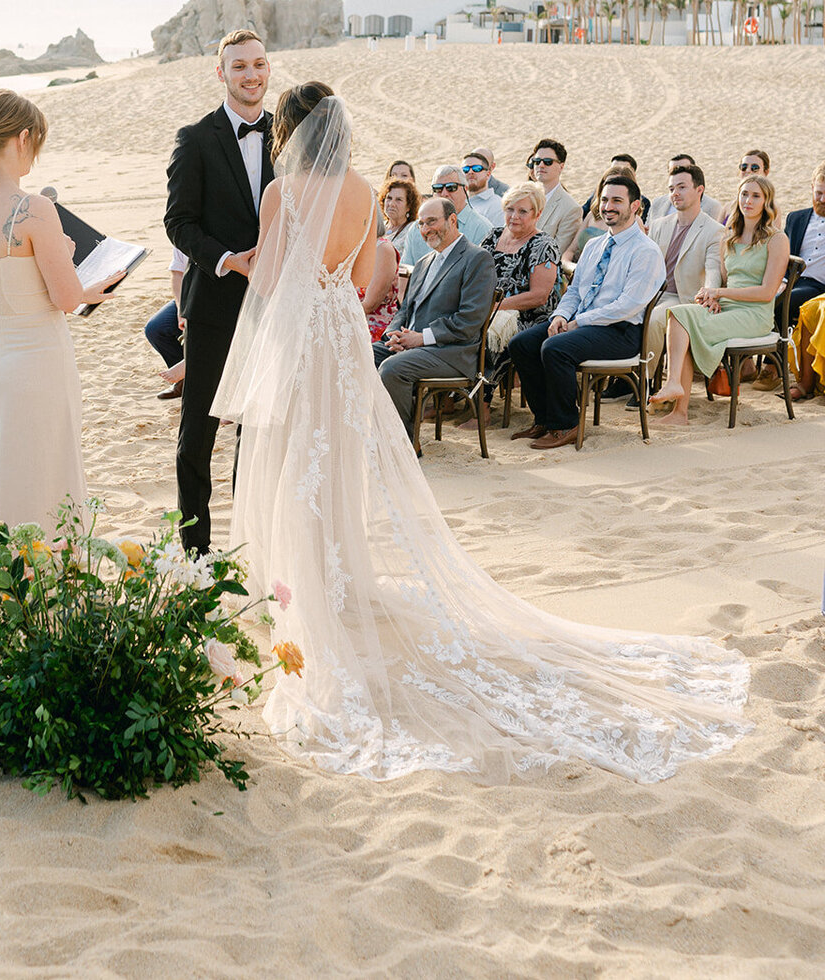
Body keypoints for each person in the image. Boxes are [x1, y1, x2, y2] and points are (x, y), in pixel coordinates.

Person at [214, 86, 749, 783]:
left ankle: (309, 593)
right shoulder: (363, 189)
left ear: (290, 132)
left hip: (308, 341)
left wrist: (237, 263)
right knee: (333, 460)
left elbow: (275, 284)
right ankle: (337, 582)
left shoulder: (282, 194)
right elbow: (371, 278)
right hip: (340, 334)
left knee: (297, 462)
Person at [0, 90, 120, 530]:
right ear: (24, 138)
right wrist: (80, 275)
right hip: (36, 361)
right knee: (40, 471)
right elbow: (67, 299)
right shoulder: (33, 209)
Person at [165, 29, 274, 555]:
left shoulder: (290, 136)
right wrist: (229, 261)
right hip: (214, 306)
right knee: (198, 432)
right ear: (221, 74)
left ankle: (250, 542)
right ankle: (196, 550)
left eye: (258, 64)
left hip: (275, 308)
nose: (250, 75)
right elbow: (179, 222)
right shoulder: (195, 138)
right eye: (239, 67)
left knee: (256, 431)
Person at [507, 175, 665, 450]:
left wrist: (579, 322)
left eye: (617, 200)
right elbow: (576, 292)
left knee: (555, 348)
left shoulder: (645, 251)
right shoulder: (594, 246)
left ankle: (566, 424)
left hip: (621, 331)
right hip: (583, 324)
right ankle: (544, 419)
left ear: (635, 205)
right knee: (521, 344)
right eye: (604, 200)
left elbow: (628, 305)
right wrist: (560, 316)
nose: (608, 206)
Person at [650, 176, 790, 426]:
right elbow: (726, 281)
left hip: (754, 315)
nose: (748, 200)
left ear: (766, 201)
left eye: (756, 196)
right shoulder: (730, 236)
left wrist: (719, 294)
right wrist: (714, 299)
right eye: (744, 194)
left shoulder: (777, 239)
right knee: (680, 315)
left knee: (689, 326)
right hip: (728, 307)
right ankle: (674, 391)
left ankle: (679, 409)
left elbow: (767, 292)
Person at [372, 196, 497, 430]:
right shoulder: (423, 262)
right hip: (415, 347)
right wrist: (394, 335)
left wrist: (421, 338)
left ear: (452, 220)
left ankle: (405, 445)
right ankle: (375, 433)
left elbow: (470, 320)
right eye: (421, 224)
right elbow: (405, 309)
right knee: (360, 355)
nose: (425, 229)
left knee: (392, 369)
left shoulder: (477, 258)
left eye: (431, 221)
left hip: (453, 352)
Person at [478, 182, 560, 393]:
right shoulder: (493, 236)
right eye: (510, 209)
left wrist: (497, 306)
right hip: (490, 307)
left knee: (493, 333)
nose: (514, 216)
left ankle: (482, 405)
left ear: (537, 213)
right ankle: (451, 398)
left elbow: (539, 296)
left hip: (530, 316)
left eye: (522, 211)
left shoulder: (543, 245)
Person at [645, 164, 726, 373]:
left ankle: (644, 383)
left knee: (654, 320)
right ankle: (620, 377)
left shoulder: (714, 231)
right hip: (650, 293)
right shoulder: (659, 225)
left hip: (682, 298)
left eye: (681, 187)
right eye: (671, 189)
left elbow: (713, 270)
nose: (675, 193)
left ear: (699, 190)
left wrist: (710, 291)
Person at [400, 166, 494, 264]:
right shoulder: (416, 229)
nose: (444, 193)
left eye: (451, 187)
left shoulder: (482, 228)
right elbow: (406, 271)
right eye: (438, 189)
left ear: (465, 189)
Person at [782, 162, 825, 322]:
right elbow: (783, 255)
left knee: (785, 302)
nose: (822, 199)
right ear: (812, 188)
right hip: (790, 281)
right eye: (818, 193)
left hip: (819, 287)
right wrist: (782, 281)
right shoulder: (795, 218)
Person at [144, 249, 187, 400]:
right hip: (187, 296)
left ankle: (190, 366)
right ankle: (185, 380)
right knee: (155, 328)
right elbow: (177, 274)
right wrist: (181, 308)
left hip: (213, 298)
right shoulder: (182, 229)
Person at [528, 138, 582, 257]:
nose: (541, 165)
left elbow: (555, 254)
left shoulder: (571, 209)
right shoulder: (523, 196)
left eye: (548, 161)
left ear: (561, 167)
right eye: (537, 161)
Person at [649, 154, 724, 223]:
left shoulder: (712, 206)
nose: (679, 173)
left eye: (685, 169)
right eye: (674, 170)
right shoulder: (657, 203)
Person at [581, 153, 650, 226]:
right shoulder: (597, 197)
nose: (617, 171)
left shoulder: (643, 202)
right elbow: (583, 213)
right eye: (613, 168)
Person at [361, 233, 401, 341]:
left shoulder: (383, 248)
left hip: (373, 325)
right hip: (352, 318)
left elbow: (370, 305)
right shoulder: (354, 245)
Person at [720, 150, 772, 224]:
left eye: (754, 168)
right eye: (744, 167)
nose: (748, 170)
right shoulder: (728, 207)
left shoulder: (771, 208)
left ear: (766, 172)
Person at [461, 150, 505, 228]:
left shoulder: (497, 205)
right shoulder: (458, 202)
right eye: (465, 169)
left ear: (488, 174)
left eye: (477, 168)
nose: (470, 172)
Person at [378, 176, 419, 257]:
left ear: (409, 206)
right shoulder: (378, 227)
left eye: (398, 200)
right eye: (389, 198)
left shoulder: (413, 230)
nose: (392, 204)